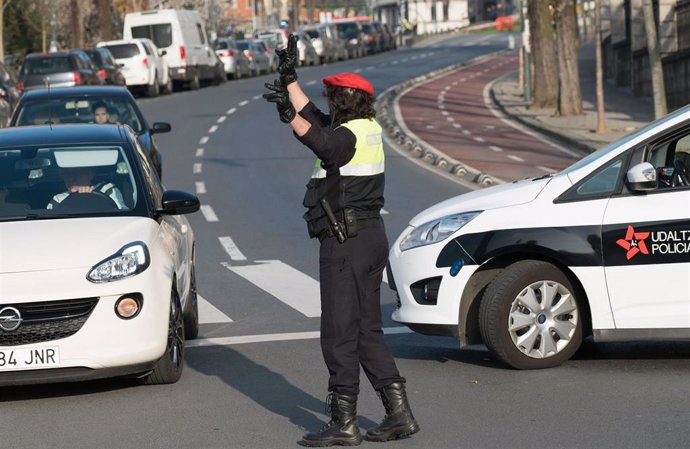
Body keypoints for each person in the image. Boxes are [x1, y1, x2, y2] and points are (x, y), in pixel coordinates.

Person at [263, 34, 419, 447]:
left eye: (332, 95)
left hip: (345, 242)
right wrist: (289, 79)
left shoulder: (346, 137)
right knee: (368, 329)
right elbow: (314, 117)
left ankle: (343, 422)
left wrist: (287, 118)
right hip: (370, 238)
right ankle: (398, 412)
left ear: (344, 100)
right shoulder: (365, 128)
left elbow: (323, 142)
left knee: (338, 331)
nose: (327, 101)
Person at [47, 166, 126, 210]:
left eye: (77, 173)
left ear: (90, 174)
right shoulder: (57, 200)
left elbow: (122, 213)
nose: (71, 178)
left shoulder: (107, 189)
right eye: (66, 174)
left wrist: (89, 198)